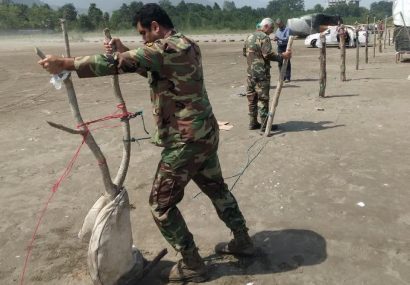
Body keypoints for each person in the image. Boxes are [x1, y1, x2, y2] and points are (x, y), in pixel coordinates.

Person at [38, 3, 254, 283]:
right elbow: (148, 65)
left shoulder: (164, 49)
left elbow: (116, 63)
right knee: (217, 189)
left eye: (143, 34)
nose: (142, 40)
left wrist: (65, 64)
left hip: (185, 141)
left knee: (160, 205)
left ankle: (192, 264)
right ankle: (244, 241)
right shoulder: (186, 44)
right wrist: (124, 48)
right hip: (205, 135)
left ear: (155, 27)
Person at [243, 17, 291, 131]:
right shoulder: (264, 37)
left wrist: (254, 59)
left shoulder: (249, 36)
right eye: (271, 28)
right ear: (265, 26)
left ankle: (252, 123)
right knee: (263, 100)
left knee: (251, 99)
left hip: (250, 74)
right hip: (261, 75)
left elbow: (245, 53)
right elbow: (268, 54)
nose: (272, 31)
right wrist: (282, 56)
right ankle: (265, 125)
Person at [274, 18, 292, 82]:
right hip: (279, 47)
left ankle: (287, 77)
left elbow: (287, 38)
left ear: (282, 23)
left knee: (287, 62)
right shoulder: (277, 29)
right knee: (280, 62)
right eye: (277, 25)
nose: (278, 26)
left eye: (279, 24)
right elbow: (276, 36)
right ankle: (282, 77)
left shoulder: (287, 29)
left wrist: (279, 38)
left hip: (286, 46)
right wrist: (275, 38)